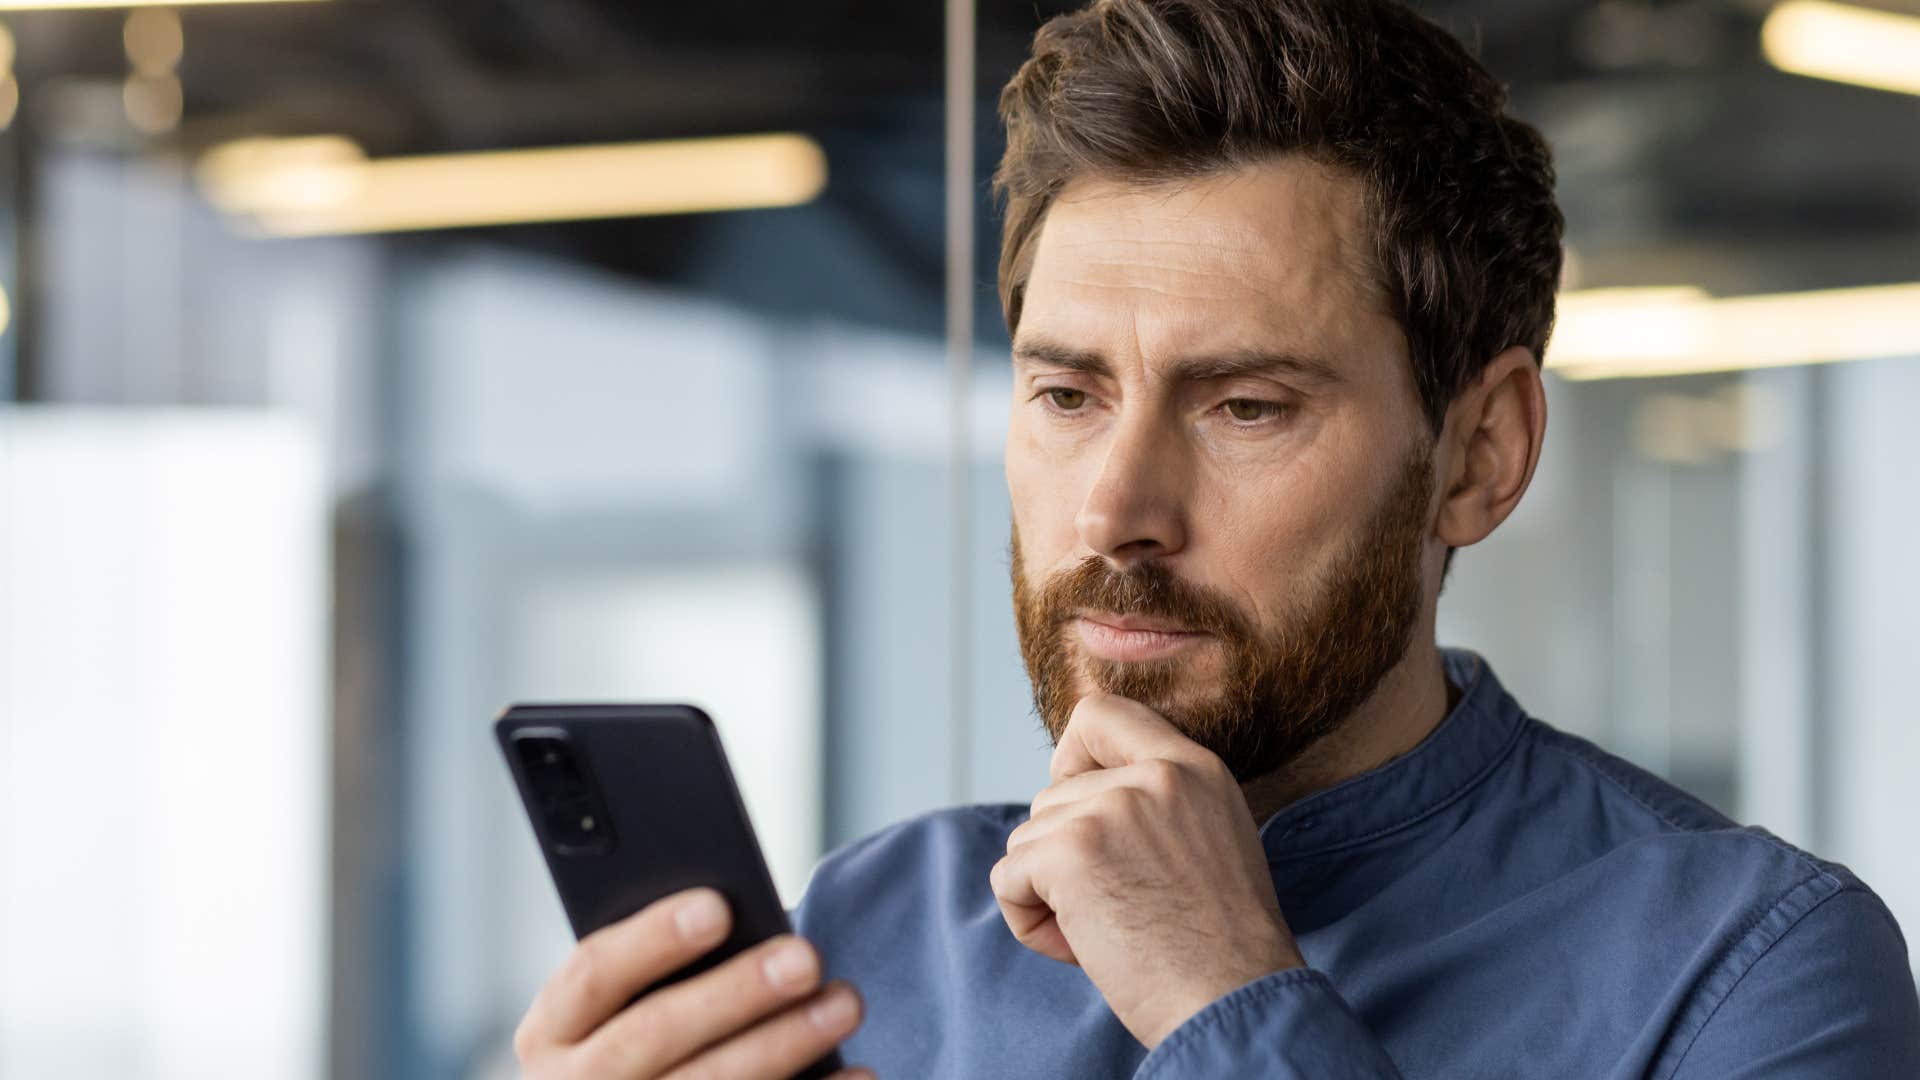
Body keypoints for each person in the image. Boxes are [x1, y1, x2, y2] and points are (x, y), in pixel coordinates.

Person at [509, 0, 1920, 1076]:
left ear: (1480, 457)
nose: (1115, 510)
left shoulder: (1755, 972)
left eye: (1245, 406)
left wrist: (1226, 1001)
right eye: (1068, 394)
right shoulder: (881, 921)